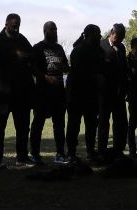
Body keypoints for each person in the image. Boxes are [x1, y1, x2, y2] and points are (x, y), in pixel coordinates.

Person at [0, 13, 35, 169]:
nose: (16, 28)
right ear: (6, 23)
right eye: (14, 25)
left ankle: (22, 157)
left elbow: (32, 56)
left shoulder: (22, 39)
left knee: (22, 127)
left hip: (21, 91)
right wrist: (16, 55)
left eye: (18, 25)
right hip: (2, 91)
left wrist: (22, 56)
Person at [31, 21, 69, 165]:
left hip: (59, 92)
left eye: (56, 29)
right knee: (38, 123)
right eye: (52, 29)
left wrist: (66, 68)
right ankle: (35, 153)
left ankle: (60, 153)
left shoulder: (59, 48)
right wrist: (47, 78)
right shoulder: (38, 48)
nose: (55, 32)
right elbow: (34, 69)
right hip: (42, 92)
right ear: (45, 31)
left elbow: (65, 65)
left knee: (59, 124)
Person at [66, 24, 104, 162]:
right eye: (97, 34)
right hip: (77, 93)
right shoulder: (79, 50)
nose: (100, 36)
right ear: (89, 35)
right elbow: (77, 72)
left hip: (91, 93)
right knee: (74, 124)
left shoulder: (98, 50)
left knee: (91, 124)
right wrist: (95, 77)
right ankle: (71, 152)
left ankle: (90, 151)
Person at [97, 23, 129, 156]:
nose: (120, 40)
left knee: (121, 122)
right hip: (104, 92)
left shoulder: (121, 47)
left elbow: (124, 68)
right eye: (118, 37)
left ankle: (119, 149)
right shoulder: (100, 45)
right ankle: (102, 150)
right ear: (112, 33)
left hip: (119, 92)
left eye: (122, 38)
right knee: (104, 122)